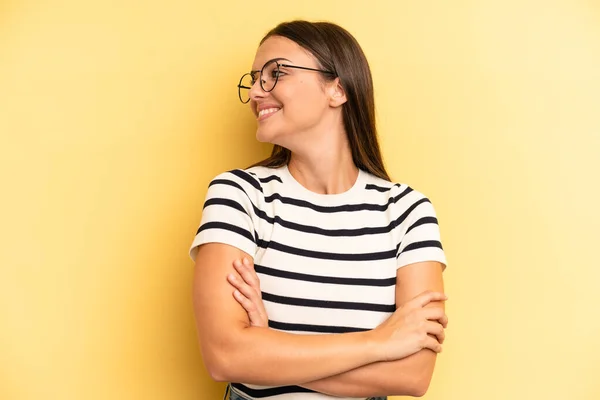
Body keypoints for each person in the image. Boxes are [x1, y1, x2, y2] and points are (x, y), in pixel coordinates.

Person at [189, 20, 448, 400]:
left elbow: (412, 375)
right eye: (255, 78)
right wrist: (381, 342)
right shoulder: (240, 196)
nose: (257, 91)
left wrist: (267, 352)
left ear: (338, 88)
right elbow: (225, 356)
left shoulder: (407, 212)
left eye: (276, 73)